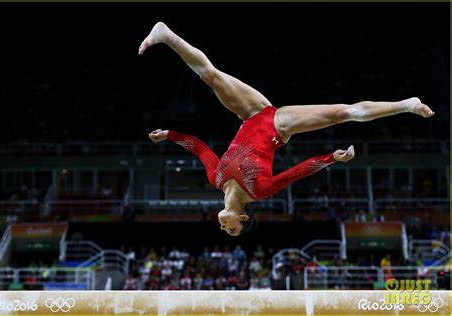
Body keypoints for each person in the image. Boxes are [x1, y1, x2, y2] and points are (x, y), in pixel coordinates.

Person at [140, 22, 435, 237]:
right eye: (232, 230)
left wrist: (169, 135)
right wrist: (334, 157)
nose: (224, 227)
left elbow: (199, 147)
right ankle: (405, 105)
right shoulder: (260, 191)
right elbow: (300, 170)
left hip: (252, 112)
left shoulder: (216, 179)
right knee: (344, 113)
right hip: (277, 124)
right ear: (243, 217)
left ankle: (165, 35)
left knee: (211, 77)